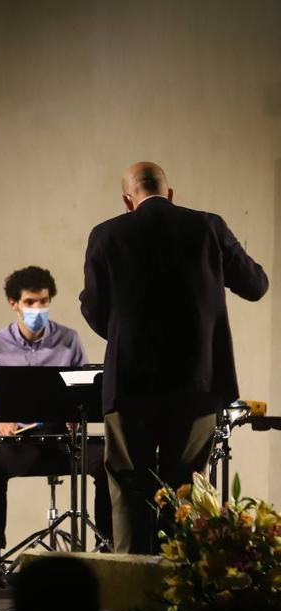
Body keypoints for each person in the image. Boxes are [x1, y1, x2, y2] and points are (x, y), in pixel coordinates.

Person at [80, 161, 269, 553]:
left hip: (129, 385)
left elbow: (95, 310)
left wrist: (126, 337)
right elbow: (256, 286)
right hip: (198, 383)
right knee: (186, 487)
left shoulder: (106, 234)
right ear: (170, 193)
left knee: (129, 486)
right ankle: (181, 588)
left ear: (128, 200)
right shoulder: (209, 227)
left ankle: (132, 594)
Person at [0, 265, 111, 583]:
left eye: (44, 302)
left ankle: (107, 548)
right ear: (13, 303)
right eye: (31, 302)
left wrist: (77, 416)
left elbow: (85, 390)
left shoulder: (69, 340)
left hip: (63, 439)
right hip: (23, 441)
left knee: (105, 463)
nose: (38, 309)